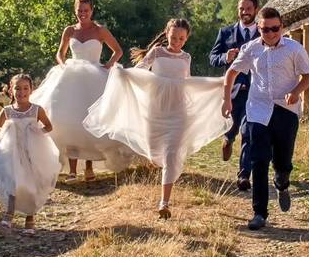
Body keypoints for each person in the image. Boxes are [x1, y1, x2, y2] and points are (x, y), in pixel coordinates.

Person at [85, 19, 231, 219]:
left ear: (186, 38)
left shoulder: (186, 57)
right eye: (173, 37)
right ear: (166, 34)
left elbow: (187, 82)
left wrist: (216, 85)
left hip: (179, 112)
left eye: (181, 38)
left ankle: (164, 202)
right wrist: (124, 74)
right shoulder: (157, 52)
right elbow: (141, 71)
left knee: (171, 155)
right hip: (155, 111)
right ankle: (158, 164)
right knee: (155, 154)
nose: (177, 41)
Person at [223, 7, 309, 231]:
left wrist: (296, 92)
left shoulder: (294, 48)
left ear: (281, 27)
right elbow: (232, 73)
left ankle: (282, 182)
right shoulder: (251, 49)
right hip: (257, 110)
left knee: (282, 162)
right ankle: (259, 213)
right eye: (265, 29)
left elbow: (308, 75)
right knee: (258, 160)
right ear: (259, 29)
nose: (270, 33)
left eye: (274, 29)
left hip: (286, 109)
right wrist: (227, 100)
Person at [31, 0, 136, 180]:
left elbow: (118, 51)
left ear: (92, 10)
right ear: (75, 10)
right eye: (79, 10)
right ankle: (72, 169)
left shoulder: (100, 30)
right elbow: (60, 53)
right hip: (71, 75)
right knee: (68, 119)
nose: (82, 14)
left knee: (92, 119)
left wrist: (108, 65)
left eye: (86, 10)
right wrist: (62, 64)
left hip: (95, 76)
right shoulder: (69, 30)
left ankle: (89, 167)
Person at [0, 73, 61, 234]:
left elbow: (49, 126)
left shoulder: (36, 110)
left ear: (31, 90)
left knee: (32, 182)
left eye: (25, 88)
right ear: (11, 90)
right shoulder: (7, 111)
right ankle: (9, 214)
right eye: (17, 88)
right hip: (13, 151)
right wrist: (6, 128)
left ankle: (30, 217)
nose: (21, 92)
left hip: (32, 151)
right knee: (12, 180)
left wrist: (37, 132)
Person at [209, 0, 260, 190]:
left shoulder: (262, 34)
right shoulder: (225, 32)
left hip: (255, 91)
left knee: (249, 132)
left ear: (255, 10)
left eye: (248, 8)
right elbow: (212, 58)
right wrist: (224, 57)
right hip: (232, 90)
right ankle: (228, 139)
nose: (244, 12)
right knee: (233, 127)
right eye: (241, 9)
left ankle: (244, 175)